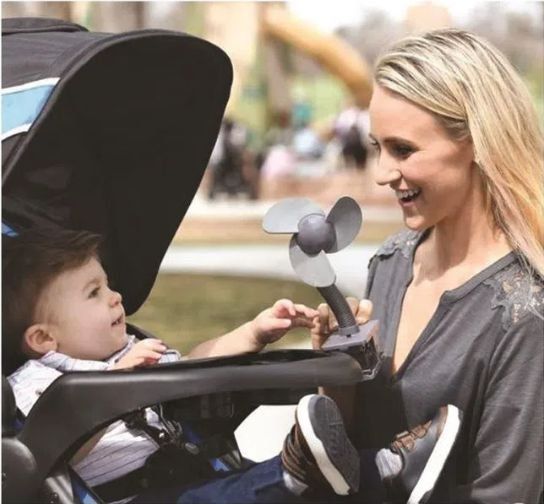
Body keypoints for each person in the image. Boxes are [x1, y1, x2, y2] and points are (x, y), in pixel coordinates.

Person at [3, 227, 459, 504]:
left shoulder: (129, 350)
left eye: (107, 284)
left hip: (193, 473)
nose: (116, 297)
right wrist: (119, 385)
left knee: (238, 484)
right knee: (244, 492)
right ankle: (299, 467)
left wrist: (253, 334)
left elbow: (197, 364)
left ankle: (387, 469)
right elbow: (49, 444)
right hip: (136, 497)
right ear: (44, 338)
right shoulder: (36, 382)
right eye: (93, 293)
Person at [312, 29, 544, 503]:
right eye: (377, 147)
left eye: (403, 149)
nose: (381, 173)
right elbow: (353, 456)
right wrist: (337, 375)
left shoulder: (526, 313)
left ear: (477, 140)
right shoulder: (392, 260)